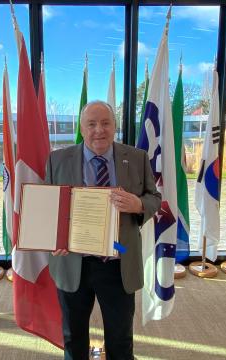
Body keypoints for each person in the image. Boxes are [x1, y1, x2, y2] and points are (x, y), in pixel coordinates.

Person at [45, 100, 161, 360]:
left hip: (118, 262)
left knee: (120, 340)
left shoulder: (137, 157)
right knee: (73, 337)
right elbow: (49, 209)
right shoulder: (58, 160)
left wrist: (138, 203)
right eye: (92, 124)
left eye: (106, 123)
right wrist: (54, 238)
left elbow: (155, 197)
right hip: (73, 262)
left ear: (115, 126)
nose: (99, 130)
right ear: (81, 128)